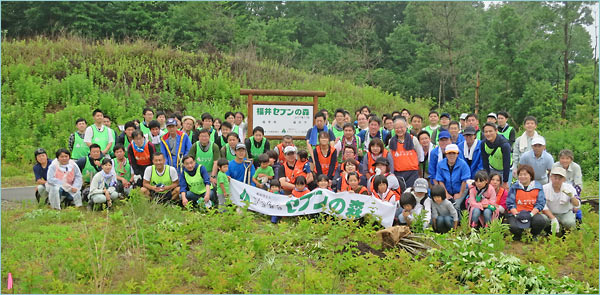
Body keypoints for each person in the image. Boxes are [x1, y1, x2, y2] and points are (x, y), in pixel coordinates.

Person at [505, 164, 548, 241]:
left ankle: (533, 235)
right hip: (517, 213)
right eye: (520, 175)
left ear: (530, 176)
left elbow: (540, 203)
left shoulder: (538, 186)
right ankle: (518, 235)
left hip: (532, 212)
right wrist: (517, 215)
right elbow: (510, 203)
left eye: (525, 174)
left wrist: (531, 214)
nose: (522, 177)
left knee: (540, 221)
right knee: (513, 227)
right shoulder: (514, 187)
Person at [541, 167, 580, 234]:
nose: (557, 180)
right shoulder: (544, 188)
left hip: (565, 213)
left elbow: (577, 204)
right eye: (555, 177)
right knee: (542, 219)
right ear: (551, 177)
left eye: (560, 178)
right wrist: (553, 218)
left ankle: (567, 234)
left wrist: (572, 197)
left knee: (569, 222)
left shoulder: (569, 188)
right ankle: (547, 232)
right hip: (550, 213)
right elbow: (543, 205)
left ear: (564, 179)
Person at [388, 116, 424, 188]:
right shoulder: (391, 141)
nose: (399, 130)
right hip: (397, 173)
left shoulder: (413, 139)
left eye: (401, 127)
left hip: (412, 172)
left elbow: (420, 156)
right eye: (397, 128)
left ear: (406, 127)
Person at [480, 123, 512, 190]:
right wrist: (487, 177)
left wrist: (505, 181)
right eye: (486, 132)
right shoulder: (483, 143)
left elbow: (506, 163)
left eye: (490, 131)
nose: (488, 134)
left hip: (506, 170)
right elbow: (485, 161)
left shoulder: (505, 145)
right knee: (491, 190)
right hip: (493, 168)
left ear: (496, 131)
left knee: (504, 191)